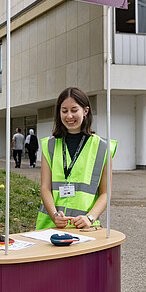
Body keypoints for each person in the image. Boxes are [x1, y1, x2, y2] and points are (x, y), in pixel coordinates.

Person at [36, 87, 117, 230]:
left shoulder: (103, 147)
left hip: (86, 227)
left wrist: (90, 218)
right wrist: (54, 215)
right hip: (51, 226)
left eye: (74, 110)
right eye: (64, 111)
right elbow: (45, 188)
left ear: (85, 111)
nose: (69, 116)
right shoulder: (49, 145)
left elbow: (105, 193)